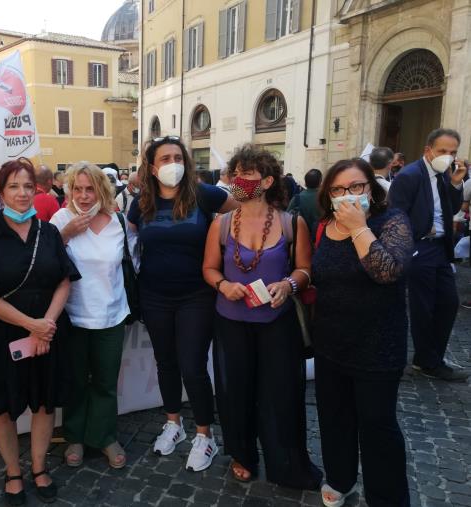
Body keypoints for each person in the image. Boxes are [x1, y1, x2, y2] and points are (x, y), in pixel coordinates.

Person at [0, 158, 79, 505]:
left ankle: (40, 468)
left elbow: (63, 281)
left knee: (43, 405)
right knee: (3, 409)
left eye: (28, 186)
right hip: (0, 336)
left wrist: (47, 325)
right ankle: (14, 472)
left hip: (48, 334)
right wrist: (32, 326)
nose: (23, 193)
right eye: (14, 186)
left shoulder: (49, 232)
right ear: (0, 191)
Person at [203, 145, 321, 489]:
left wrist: (289, 284)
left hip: (276, 325)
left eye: (248, 174)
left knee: (280, 393)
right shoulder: (221, 224)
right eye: (236, 172)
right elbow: (208, 269)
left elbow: (305, 269)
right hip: (230, 323)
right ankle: (242, 455)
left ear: (267, 180)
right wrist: (223, 285)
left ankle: (285, 460)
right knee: (234, 391)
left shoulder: (290, 222)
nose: (238, 180)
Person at [127, 136, 237, 471]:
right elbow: (130, 238)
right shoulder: (141, 201)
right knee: (166, 363)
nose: (172, 162)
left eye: (178, 156)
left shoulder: (205, 195)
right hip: (154, 295)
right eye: (164, 158)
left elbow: (242, 208)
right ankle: (173, 424)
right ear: (152, 166)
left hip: (197, 295)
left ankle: (205, 435)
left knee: (192, 366)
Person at [312, 158, 413, 507]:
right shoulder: (324, 225)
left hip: (377, 346)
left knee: (377, 426)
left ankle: (387, 498)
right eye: (338, 189)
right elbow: (321, 273)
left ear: (371, 187)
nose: (348, 195)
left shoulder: (391, 220)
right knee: (334, 418)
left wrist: (358, 227)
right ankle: (340, 478)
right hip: (330, 343)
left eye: (356, 186)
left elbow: (387, 271)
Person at [50, 162, 130, 470]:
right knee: (76, 382)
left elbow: (130, 262)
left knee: (106, 382)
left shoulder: (117, 222)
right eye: (77, 189)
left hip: (112, 315)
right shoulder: (60, 219)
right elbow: (46, 260)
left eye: (90, 189)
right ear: (69, 190)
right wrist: (66, 234)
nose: (83, 196)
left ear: (102, 189)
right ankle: (75, 437)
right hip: (72, 317)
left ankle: (105, 436)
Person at [389, 128, 469, 381]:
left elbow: (451, 208)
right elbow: (395, 216)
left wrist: (456, 182)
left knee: (448, 302)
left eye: (453, 152)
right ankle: (427, 361)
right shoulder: (410, 175)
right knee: (423, 307)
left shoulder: (445, 174)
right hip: (419, 248)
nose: (447, 156)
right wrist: (418, 234)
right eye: (442, 151)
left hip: (440, 248)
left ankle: (432, 356)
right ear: (428, 150)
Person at [287, 168, 323, 238]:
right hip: (320, 239)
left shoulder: (297, 198)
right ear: (320, 181)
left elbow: (286, 218)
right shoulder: (325, 198)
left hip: (301, 239)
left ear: (305, 182)